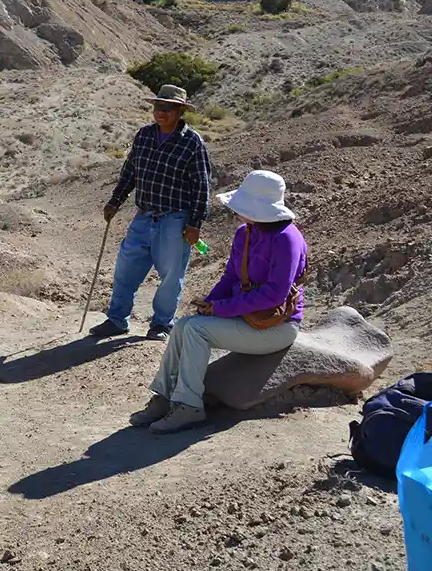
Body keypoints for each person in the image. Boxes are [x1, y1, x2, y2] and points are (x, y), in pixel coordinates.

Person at [130, 170, 308, 434]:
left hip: (276, 326)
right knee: (183, 325)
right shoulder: (245, 233)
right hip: (247, 316)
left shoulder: (287, 239)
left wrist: (221, 309)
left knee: (196, 330)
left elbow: (275, 295)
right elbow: (232, 277)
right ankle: (165, 397)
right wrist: (210, 303)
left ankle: (189, 406)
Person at [89, 84, 212, 342]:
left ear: (180, 111)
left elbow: (201, 186)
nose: (161, 112)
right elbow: (130, 172)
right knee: (125, 269)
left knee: (170, 277)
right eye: (158, 107)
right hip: (143, 216)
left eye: (168, 108)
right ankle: (116, 320)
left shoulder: (192, 143)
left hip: (174, 219)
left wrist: (195, 224)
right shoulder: (144, 135)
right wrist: (115, 201)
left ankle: (161, 324)